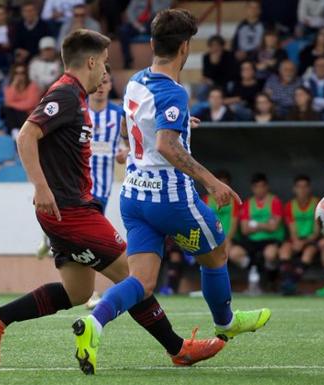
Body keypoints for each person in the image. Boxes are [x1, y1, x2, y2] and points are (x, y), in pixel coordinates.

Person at [0, 29, 224, 374]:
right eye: (104, 64)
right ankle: (178, 348)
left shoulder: (73, 97)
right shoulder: (63, 95)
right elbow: (26, 135)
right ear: (90, 61)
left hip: (69, 210)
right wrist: (41, 187)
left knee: (77, 292)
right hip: (71, 212)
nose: (105, 72)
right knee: (133, 280)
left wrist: (179, 123)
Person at [72, 10, 270, 374]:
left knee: (142, 282)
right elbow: (165, 145)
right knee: (217, 253)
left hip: (133, 195)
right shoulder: (173, 91)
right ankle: (226, 322)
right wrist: (212, 182)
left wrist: (182, 124)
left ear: (151, 45)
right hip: (170, 198)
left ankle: (95, 322)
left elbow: (147, 126)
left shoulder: (135, 81)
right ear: (185, 48)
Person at [230, 173, 284, 292]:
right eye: (256, 186)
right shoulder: (248, 203)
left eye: (262, 186)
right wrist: (266, 224)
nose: (260, 189)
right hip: (252, 240)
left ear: (267, 187)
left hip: (271, 239)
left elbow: (274, 227)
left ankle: (271, 280)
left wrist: (255, 224)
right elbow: (245, 229)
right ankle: (254, 269)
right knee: (234, 253)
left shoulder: (274, 201)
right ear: (252, 188)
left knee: (270, 254)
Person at [88, 68, 124, 211]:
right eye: (96, 82)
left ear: (110, 85)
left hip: (102, 191)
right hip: (75, 190)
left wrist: (126, 151)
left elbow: (136, 141)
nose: (100, 86)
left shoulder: (119, 115)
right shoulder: (77, 111)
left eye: (104, 82)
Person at [279, 175, 321, 296]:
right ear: (294, 189)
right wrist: (296, 241)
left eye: (305, 187)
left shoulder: (317, 203)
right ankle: (287, 283)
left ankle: (291, 283)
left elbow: (316, 232)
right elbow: (292, 229)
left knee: (309, 252)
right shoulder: (289, 205)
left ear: (309, 189)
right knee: (285, 250)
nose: (302, 190)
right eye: (299, 187)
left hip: (311, 240)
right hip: (296, 239)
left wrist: (305, 241)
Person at [119, 0, 173, 69]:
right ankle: (128, 60)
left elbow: (161, 13)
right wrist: (136, 24)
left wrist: (153, 2)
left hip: (153, 24)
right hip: (137, 24)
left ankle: (158, 59)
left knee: (162, 30)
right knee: (123, 31)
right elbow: (129, 12)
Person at [3, 63, 41, 135]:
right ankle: (14, 131)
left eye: (22, 73)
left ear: (26, 74)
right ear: (13, 74)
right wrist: (14, 85)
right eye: (16, 73)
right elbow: (7, 102)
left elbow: (30, 104)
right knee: (7, 109)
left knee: (12, 109)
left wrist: (12, 104)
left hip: (29, 116)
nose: (20, 75)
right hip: (16, 116)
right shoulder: (9, 87)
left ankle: (14, 131)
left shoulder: (32, 86)